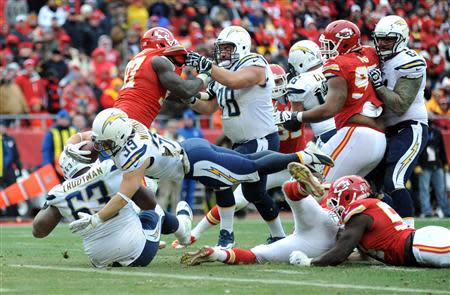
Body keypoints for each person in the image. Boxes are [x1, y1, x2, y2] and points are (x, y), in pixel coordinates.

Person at [65, 108, 333, 238]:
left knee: (250, 169)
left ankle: (305, 157)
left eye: (106, 143)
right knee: (248, 160)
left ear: (119, 137)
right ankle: (302, 157)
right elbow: (93, 135)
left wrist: (97, 220)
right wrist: (73, 141)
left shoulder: (134, 156)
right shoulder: (127, 127)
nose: (101, 147)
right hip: (191, 149)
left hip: (194, 162)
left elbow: (124, 196)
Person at [184, 26, 331, 247]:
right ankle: (279, 236)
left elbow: (235, 81)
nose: (223, 53)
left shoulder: (255, 63)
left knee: (220, 176)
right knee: (255, 194)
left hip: (260, 137)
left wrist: (208, 67)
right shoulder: (223, 73)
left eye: (228, 48)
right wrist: (186, 96)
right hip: (241, 140)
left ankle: (226, 236)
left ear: (242, 47)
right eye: (221, 48)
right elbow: (208, 107)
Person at [32, 151, 193, 268]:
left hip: (98, 259)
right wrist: (139, 183)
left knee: (129, 207)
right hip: (137, 252)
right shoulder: (109, 168)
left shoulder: (59, 192)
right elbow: (149, 204)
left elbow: (38, 231)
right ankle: (183, 229)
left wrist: (52, 204)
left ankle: (139, 233)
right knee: (155, 210)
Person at [276, 20, 386, 182]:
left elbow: (330, 108)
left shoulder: (336, 64)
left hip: (354, 133)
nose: (325, 49)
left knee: (315, 188)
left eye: (329, 44)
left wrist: (296, 117)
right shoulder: (369, 54)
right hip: (379, 136)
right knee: (355, 194)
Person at [180, 163, 339, 266]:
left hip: (316, 221)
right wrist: (309, 261)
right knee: (258, 254)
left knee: (290, 193)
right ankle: (217, 254)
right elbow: (350, 249)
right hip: (325, 234)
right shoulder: (361, 209)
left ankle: (301, 189)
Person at [288, 174, 450, 268]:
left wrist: (308, 261)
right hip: (420, 243)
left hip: (420, 246)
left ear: (348, 196)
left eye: (337, 200)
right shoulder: (367, 210)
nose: (336, 206)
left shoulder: (361, 211)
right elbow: (352, 251)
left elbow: (339, 254)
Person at [370, 15, 428, 227]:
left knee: (394, 179)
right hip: (386, 130)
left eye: (389, 39)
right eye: (380, 38)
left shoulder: (411, 61)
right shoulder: (378, 58)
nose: (383, 43)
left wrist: (378, 85)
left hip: (410, 127)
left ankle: (408, 235)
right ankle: (381, 232)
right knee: (370, 185)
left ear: (402, 38)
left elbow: (400, 104)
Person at [113, 27, 208, 128]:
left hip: (118, 114)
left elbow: (174, 93)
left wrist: (203, 96)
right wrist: (205, 74)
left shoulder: (136, 61)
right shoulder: (157, 61)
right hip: (133, 120)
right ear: (163, 43)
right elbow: (186, 90)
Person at [274, 40, 336, 149]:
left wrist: (282, 117)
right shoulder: (333, 67)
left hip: (326, 134)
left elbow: (295, 124)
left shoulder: (298, 83)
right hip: (347, 125)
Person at [416, 122, 450, 217]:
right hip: (424, 166)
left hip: (437, 165)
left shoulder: (437, 132)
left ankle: (447, 211)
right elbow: (417, 149)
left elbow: (442, 149)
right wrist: (417, 165)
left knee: (441, 190)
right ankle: (427, 212)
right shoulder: (420, 132)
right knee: (424, 190)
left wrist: (445, 163)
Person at [177, 110, 203, 209]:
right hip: (181, 165)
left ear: (192, 120)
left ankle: (190, 210)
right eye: (185, 119)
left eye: (189, 119)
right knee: (181, 188)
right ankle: (179, 209)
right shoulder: (179, 132)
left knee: (191, 189)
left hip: (193, 165)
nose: (187, 121)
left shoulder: (198, 132)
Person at [0, 120, 23, 216]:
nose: (2, 129)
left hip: (9, 170)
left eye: (3, 127)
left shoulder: (10, 139)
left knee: (12, 192)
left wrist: (19, 169)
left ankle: (13, 214)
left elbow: (16, 156)